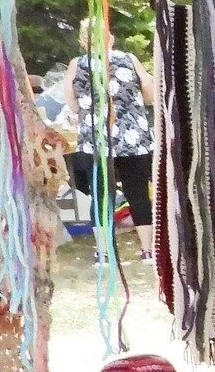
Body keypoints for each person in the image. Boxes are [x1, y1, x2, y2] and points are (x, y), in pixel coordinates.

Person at [61, 21, 158, 260]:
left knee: (101, 195)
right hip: (133, 138)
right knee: (138, 194)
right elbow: (150, 94)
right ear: (110, 38)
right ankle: (147, 251)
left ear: (84, 40)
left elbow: (72, 105)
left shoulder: (76, 65)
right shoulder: (130, 59)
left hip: (96, 140)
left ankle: (104, 253)